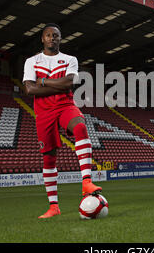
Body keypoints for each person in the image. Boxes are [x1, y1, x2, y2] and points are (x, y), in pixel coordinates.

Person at [22, 23, 102, 219]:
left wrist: (41, 81)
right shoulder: (31, 61)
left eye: (55, 35)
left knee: (81, 127)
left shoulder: (69, 59)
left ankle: (86, 181)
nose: (52, 38)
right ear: (42, 38)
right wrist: (57, 85)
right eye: (48, 35)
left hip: (65, 105)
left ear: (60, 38)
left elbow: (70, 83)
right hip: (43, 112)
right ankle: (54, 206)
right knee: (49, 158)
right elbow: (29, 90)